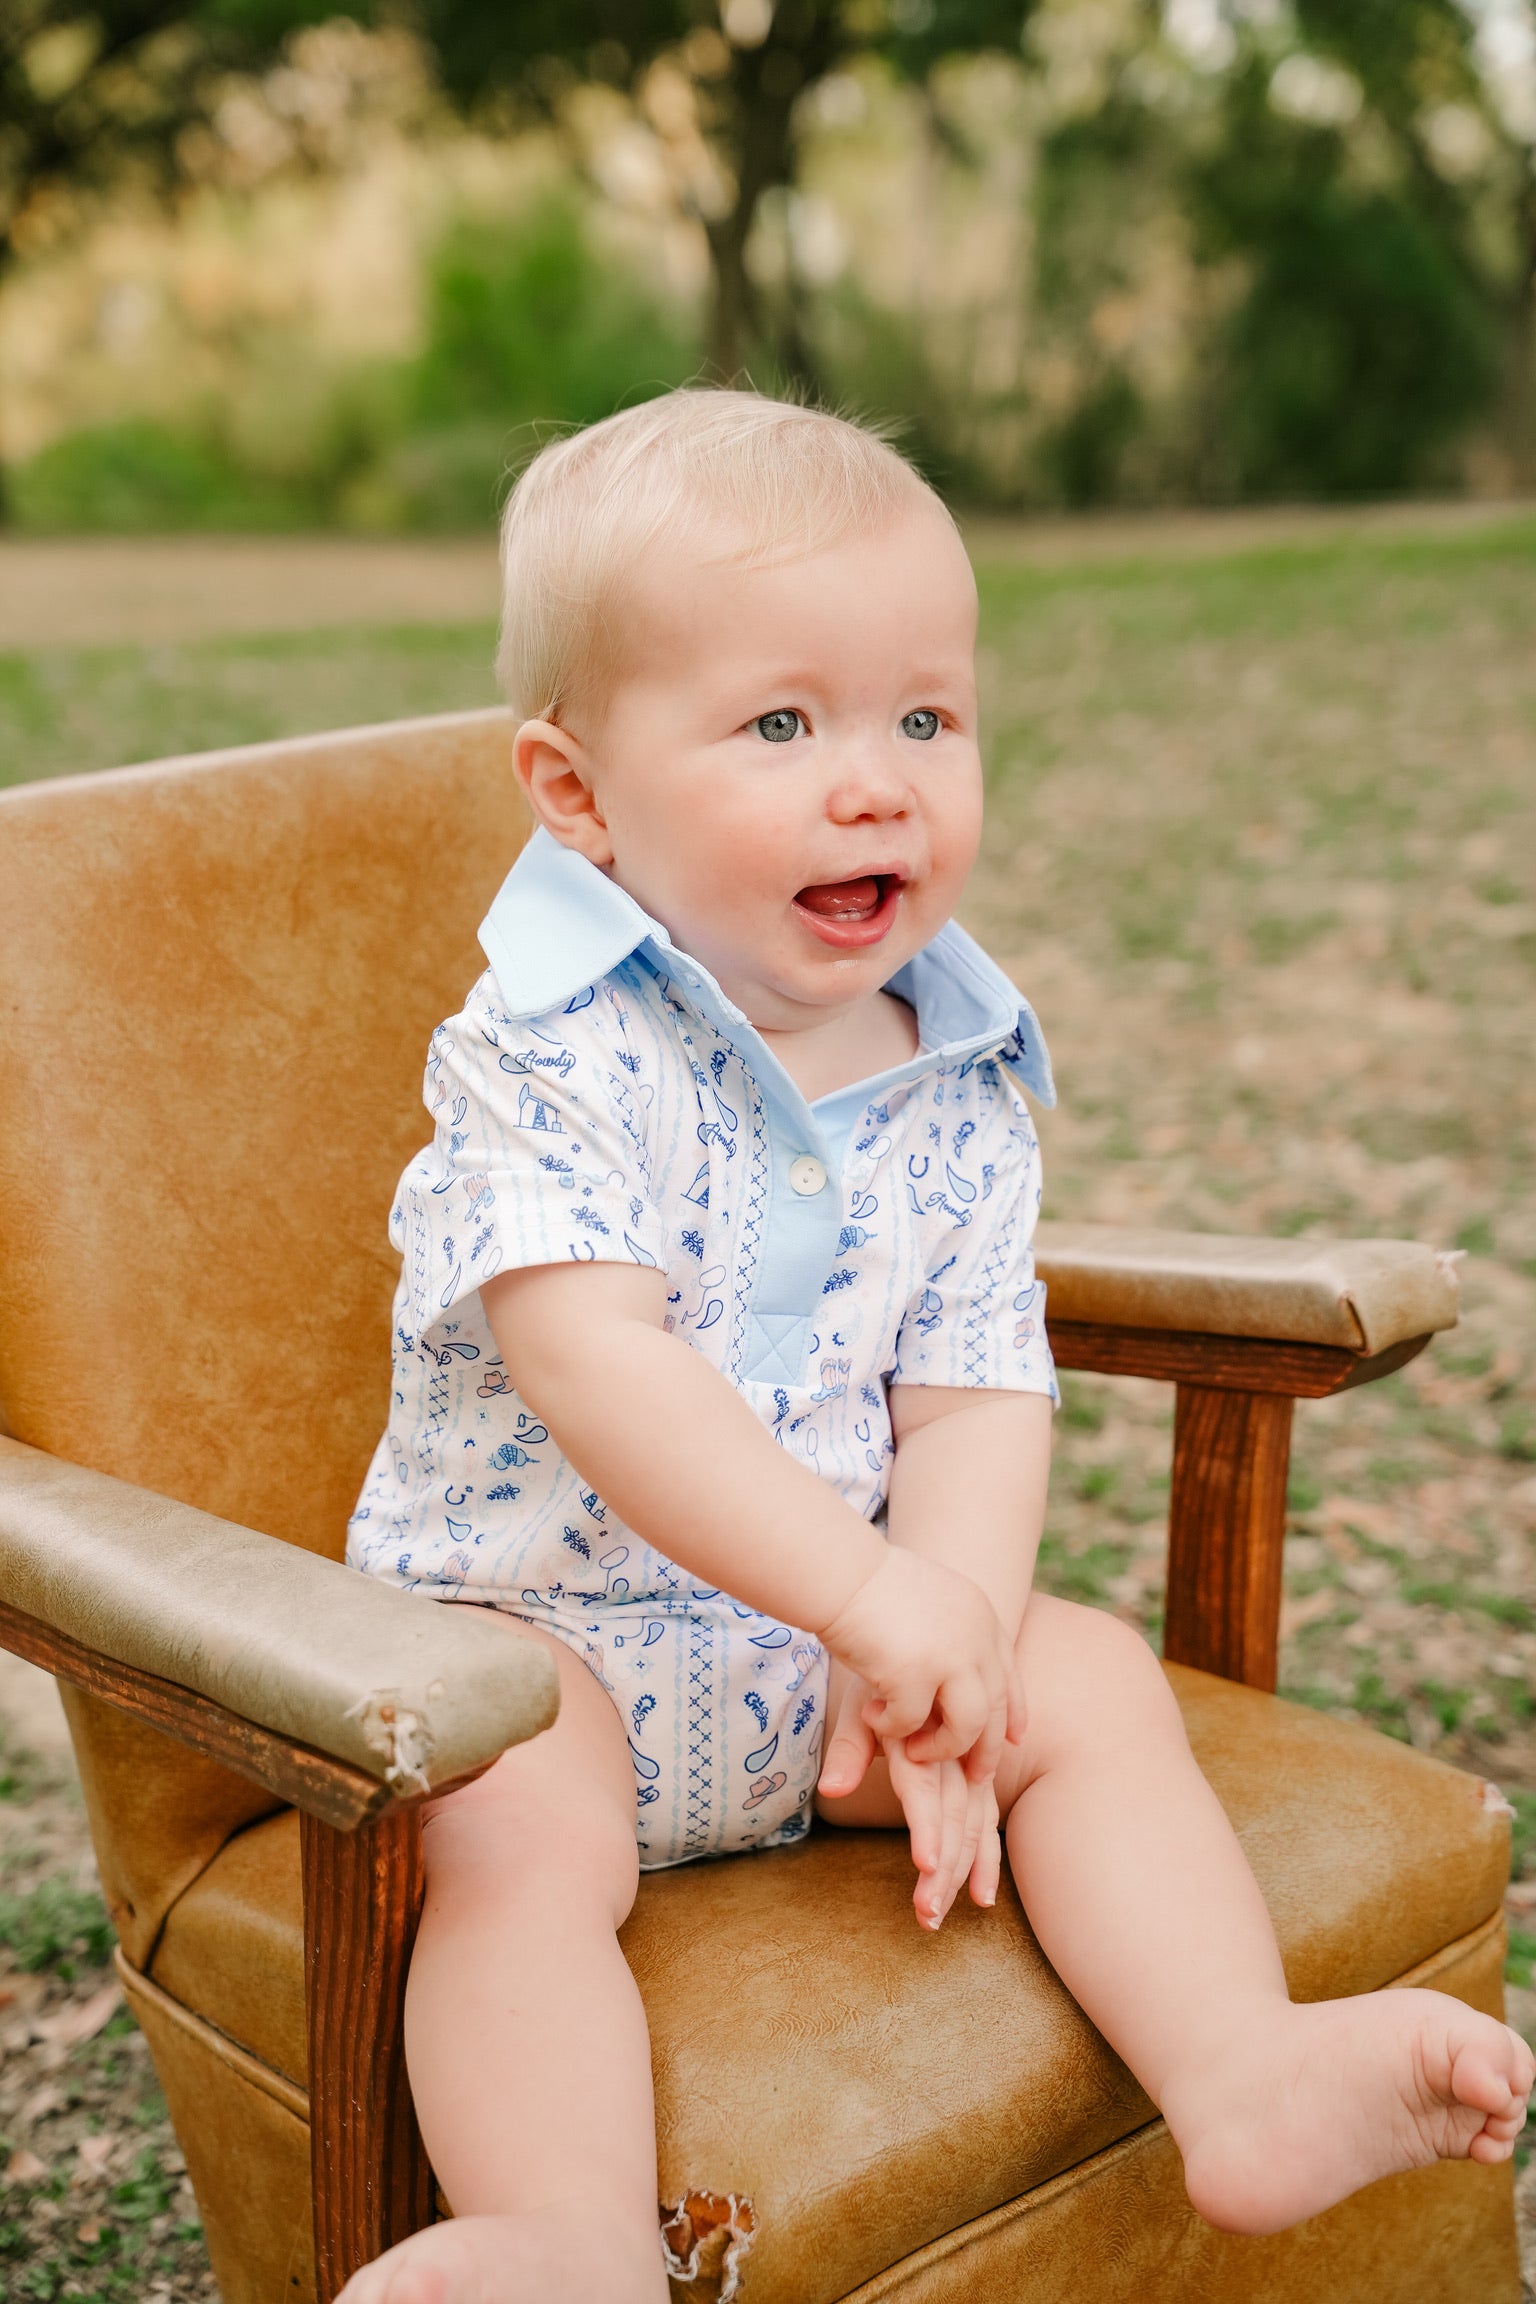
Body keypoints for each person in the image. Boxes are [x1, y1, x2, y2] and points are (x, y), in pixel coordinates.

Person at [339, 390, 1531, 2304]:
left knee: (1089, 1684)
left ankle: (1241, 2074)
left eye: (926, 718)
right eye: (781, 726)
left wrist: (950, 1637)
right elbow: (596, 1361)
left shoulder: (959, 1068)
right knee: (507, 1829)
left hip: (833, 1682)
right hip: (543, 1651)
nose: (877, 784)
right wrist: (868, 1588)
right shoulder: (543, 1052)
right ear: (578, 792)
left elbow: (976, 1383)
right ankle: (566, 2232)